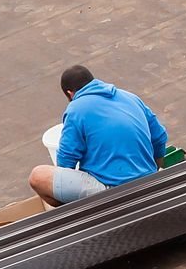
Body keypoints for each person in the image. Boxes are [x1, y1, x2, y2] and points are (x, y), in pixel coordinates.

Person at [28, 66, 170, 207]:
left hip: (112, 191)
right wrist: (151, 173)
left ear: (70, 94)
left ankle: (77, 214)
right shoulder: (130, 97)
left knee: (38, 176)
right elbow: (159, 138)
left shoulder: (76, 109)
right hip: (148, 179)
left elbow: (66, 161)